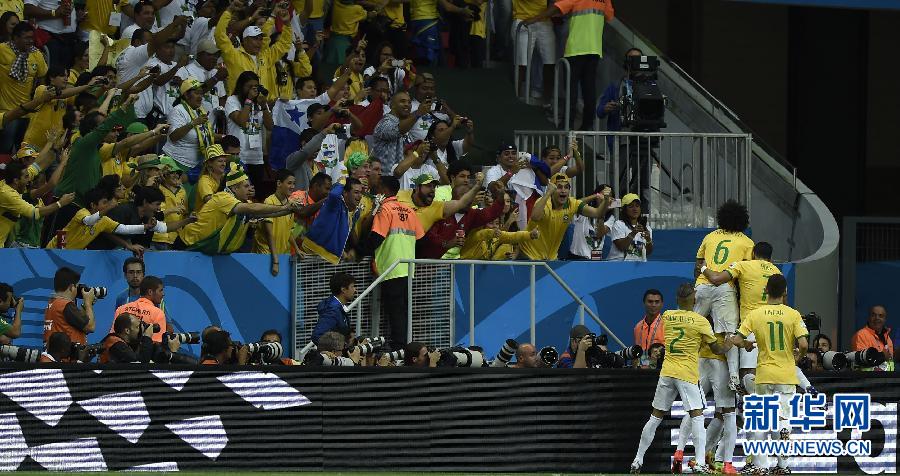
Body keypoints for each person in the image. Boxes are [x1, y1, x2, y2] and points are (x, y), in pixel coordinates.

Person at [631, 282, 732, 474]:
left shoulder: (668, 316)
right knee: (697, 416)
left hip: (667, 372)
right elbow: (716, 349)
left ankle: (637, 460)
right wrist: (728, 344)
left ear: (677, 299)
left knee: (655, 417)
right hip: (687, 374)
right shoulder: (701, 321)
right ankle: (700, 463)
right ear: (694, 299)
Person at [731, 274, 808, 475]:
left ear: (766, 290)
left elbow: (736, 340)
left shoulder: (755, 314)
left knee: (761, 421)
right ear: (785, 291)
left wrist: (747, 344)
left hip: (764, 375)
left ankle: (760, 465)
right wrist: (797, 358)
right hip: (786, 375)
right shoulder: (793, 314)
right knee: (783, 420)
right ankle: (782, 466)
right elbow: (803, 344)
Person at [178, 163, 305, 254]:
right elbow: (253, 208)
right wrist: (285, 206)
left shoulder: (242, 202)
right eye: (246, 186)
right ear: (234, 188)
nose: (250, 189)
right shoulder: (224, 198)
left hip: (208, 249)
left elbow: (267, 214)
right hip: (189, 243)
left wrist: (290, 209)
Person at [524, 0, 613, 129]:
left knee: (571, 90)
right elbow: (609, 15)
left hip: (576, 48)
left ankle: (567, 124)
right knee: (589, 90)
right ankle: (587, 126)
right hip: (594, 49)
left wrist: (535, 18)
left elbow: (557, 7)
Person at [694, 199, 754, 388]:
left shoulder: (710, 236)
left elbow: (698, 264)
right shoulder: (747, 242)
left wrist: (700, 282)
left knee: (692, 329)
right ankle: (734, 378)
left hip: (702, 286)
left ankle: (685, 372)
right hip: (725, 287)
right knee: (731, 332)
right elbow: (746, 273)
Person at [362, 175, 423, 349]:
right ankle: (403, 347)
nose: (376, 189)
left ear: (384, 189)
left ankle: (399, 348)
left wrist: (359, 252)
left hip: (390, 267)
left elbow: (376, 237)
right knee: (402, 311)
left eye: (378, 186)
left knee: (395, 311)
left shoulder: (385, 209)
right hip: (407, 268)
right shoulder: (409, 210)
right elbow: (420, 239)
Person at [519, 173, 611, 260]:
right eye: (559, 187)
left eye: (566, 187)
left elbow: (597, 213)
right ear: (552, 190)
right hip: (529, 254)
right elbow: (535, 217)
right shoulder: (544, 202)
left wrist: (606, 200)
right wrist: (547, 193)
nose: (563, 190)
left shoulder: (572, 204)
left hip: (550, 258)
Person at [215, 0, 293, 97]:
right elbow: (220, 35)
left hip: (261, 104)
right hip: (239, 103)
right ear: (245, 41)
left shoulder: (266, 57)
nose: (259, 42)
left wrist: (287, 23)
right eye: (255, 39)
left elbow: (284, 44)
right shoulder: (234, 55)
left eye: (260, 39)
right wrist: (229, 11)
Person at [420, 181, 505, 259]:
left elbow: (492, 213)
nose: (469, 200)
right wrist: (447, 243)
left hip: (451, 262)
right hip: (423, 260)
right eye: (465, 198)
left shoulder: (472, 214)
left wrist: (501, 195)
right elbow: (429, 237)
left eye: (470, 197)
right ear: (454, 198)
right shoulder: (441, 211)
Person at [1, 162, 75, 246]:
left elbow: (56, 182)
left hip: (34, 246)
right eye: (42, 183)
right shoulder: (25, 197)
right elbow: (52, 184)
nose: (29, 182)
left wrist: (63, 166)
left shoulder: (40, 200)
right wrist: (62, 163)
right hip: (21, 244)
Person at [0, 22, 48, 153]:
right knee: (5, 149)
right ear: (15, 38)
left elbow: (42, 80)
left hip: (27, 112)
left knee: (23, 151)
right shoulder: (2, 50)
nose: (30, 41)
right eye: (27, 38)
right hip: (6, 112)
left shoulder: (36, 55)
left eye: (32, 38)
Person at [225, 71, 273, 188]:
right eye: (249, 86)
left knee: (254, 192)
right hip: (238, 156)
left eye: (255, 86)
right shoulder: (232, 100)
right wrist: (248, 101)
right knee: (239, 191)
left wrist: (264, 106)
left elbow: (270, 126)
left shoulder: (260, 102)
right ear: (241, 86)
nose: (253, 90)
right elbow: (242, 122)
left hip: (257, 157)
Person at [303, 177, 365, 264]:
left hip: (329, 258)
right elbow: (334, 194)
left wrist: (342, 252)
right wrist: (343, 181)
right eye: (356, 192)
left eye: (361, 192)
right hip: (313, 253)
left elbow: (339, 236)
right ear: (345, 193)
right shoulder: (335, 203)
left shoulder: (354, 212)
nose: (360, 196)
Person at [163, 79, 215, 181]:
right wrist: (193, 123)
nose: (200, 97)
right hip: (176, 162)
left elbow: (204, 134)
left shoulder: (200, 111)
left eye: (201, 93)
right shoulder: (178, 110)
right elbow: (173, 136)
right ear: (186, 95)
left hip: (196, 165)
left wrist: (222, 137)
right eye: (197, 93)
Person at [372, 91, 432, 171]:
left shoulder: (404, 124)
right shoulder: (384, 123)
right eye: (402, 101)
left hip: (401, 175)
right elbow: (398, 130)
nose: (407, 104)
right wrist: (419, 113)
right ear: (392, 105)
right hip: (385, 175)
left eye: (409, 102)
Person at [252, 170, 296, 274]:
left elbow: (288, 231)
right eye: (289, 183)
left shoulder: (291, 204)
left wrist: (297, 250)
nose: (292, 186)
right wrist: (275, 261)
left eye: (294, 183)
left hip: (282, 255)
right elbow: (269, 233)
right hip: (266, 254)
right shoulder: (269, 202)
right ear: (279, 183)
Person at [43, 266, 96, 348]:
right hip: (66, 354)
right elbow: (90, 327)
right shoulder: (66, 305)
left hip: (55, 352)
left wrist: (85, 306)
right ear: (71, 287)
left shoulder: (53, 303)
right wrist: (88, 303)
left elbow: (80, 324)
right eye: (76, 286)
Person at [99, 312, 181, 364]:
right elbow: (140, 365)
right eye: (138, 327)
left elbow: (160, 361)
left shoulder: (131, 343)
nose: (141, 329)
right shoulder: (114, 343)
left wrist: (170, 350)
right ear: (127, 331)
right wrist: (147, 337)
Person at [111, 276, 169, 343]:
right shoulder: (158, 313)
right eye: (160, 290)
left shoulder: (121, 309)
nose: (163, 294)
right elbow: (157, 343)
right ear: (150, 292)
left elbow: (112, 338)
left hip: (121, 349)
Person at [569, 184, 615, 260]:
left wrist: (603, 212)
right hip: (578, 258)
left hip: (596, 259)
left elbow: (600, 234)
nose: (605, 198)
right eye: (603, 195)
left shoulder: (610, 218)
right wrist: (596, 195)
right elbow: (575, 204)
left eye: (608, 197)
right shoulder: (585, 211)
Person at [311, 272, 356, 344]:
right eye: (352, 287)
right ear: (343, 289)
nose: (355, 290)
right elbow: (317, 336)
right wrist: (335, 349)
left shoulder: (337, 307)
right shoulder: (332, 310)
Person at [608, 193, 653, 261]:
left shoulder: (647, 228)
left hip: (638, 264)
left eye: (637, 206)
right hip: (619, 264)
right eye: (631, 206)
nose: (635, 209)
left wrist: (648, 239)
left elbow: (648, 252)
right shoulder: (619, 224)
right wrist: (633, 233)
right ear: (624, 209)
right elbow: (622, 247)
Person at [851, 305, 894, 371]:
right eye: (873, 315)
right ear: (869, 318)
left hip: (887, 377)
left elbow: (890, 362)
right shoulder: (861, 335)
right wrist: (882, 356)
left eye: (880, 316)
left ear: (885, 319)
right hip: (866, 377)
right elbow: (860, 360)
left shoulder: (887, 338)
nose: (877, 318)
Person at [633, 289, 665, 366]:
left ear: (662, 304)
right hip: (641, 369)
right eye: (650, 301)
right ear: (644, 303)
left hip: (660, 370)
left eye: (657, 302)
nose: (653, 305)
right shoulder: (638, 327)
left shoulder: (667, 325)